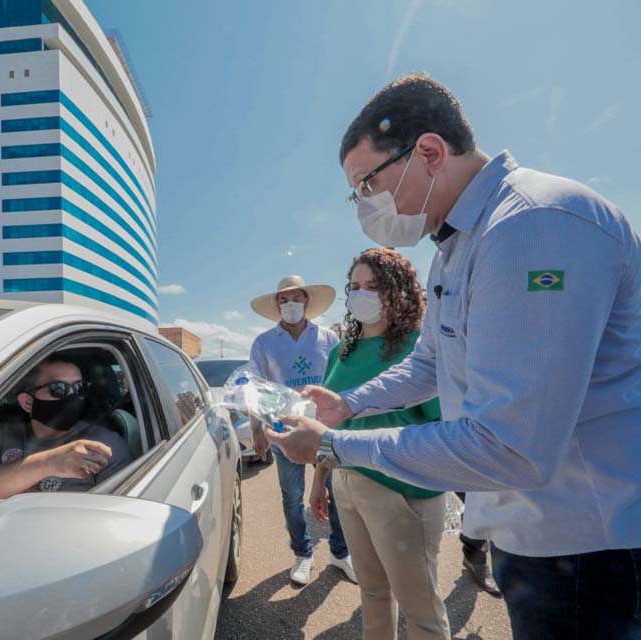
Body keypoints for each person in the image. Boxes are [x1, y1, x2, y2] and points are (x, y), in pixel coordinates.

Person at [265, 73, 641, 640]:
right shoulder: (459, 248)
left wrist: (335, 445)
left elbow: (509, 443)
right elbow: (429, 366)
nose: (365, 206)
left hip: (589, 540)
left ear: (430, 152)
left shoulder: (531, 227)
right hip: (532, 530)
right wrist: (346, 403)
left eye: (366, 184)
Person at [310, 248, 450, 640]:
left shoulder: (419, 347)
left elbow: (442, 424)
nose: (362, 294)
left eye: (373, 286)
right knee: (372, 592)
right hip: (347, 483)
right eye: (355, 286)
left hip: (402, 490)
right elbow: (328, 420)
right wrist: (320, 481)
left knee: (420, 609)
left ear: (399, 292)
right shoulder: (342, 350)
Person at [248, 275, 354, 585]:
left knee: (337, 492)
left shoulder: (328, 338)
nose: (291, 304)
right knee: (292, 497)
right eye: (284, 299)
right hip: (284, 430)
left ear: (307, 301)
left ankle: (340, 552)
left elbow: (341, 380)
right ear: (277, 304)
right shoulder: (264, 343)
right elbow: (255, 388)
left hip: (325, 429)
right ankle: (303, 553)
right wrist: (257, 428)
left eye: (296, 298)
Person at [0, 355, 131, 513]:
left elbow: (113, 517)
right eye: (58, 389)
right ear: (27, 402)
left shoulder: (104, 444)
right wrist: (49, 463)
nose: (73, 396)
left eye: (79, 388)